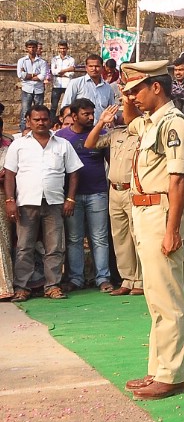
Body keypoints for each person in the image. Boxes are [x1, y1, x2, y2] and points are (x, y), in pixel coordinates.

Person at [119, 60, 184, 400]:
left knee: (168, 297)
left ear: (156, 87)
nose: (132, 97)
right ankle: (158, 369)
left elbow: (178, 180)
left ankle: (172, 374)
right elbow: (128, 122)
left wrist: (172, 229)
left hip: (162, 210)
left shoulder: (175, 124)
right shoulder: (151, 122)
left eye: (136, 90)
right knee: (154, 295)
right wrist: (125, 92)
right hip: (144, 211)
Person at [4, 105, 82, 299]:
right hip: (26, 202)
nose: (41, 123)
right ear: (28, 121)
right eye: (36, 119)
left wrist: (70, 198)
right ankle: (22, 287)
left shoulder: (62, 144)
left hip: (54, 202)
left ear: (50, 120)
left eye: (44, 119)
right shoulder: (19, 144)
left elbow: (73, 173)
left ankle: (52, 285)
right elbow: (10, 175)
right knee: (24, 246)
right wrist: (9, 200)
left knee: (55, 246)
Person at [86, 96, 144, 297]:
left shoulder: (143, 132)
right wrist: (101, 122)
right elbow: (90, 144)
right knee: (120, 238)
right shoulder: (115, 133)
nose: (122, 113)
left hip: (133, 190)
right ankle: (127, 279)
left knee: (138, 236)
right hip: (115, 190)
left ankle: (142, 279)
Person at [57, 99, 113, 293]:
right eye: (85, 114)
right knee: (74, 238)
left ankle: (103, 278)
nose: (91, 118)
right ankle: (76, 279)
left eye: (92, 114)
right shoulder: (61, 137)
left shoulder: (101, 134)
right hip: (72, 196)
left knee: (99, 238)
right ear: (73, 117)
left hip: (97, 193)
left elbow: (111, 162)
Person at [61, 53, 119, 117]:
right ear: (86, 68)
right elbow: (66, 107)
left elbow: (112, 109)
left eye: (97, 66)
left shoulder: (108, 87)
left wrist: (112, 119)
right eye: (91, 66)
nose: (94, 69)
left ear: (102, 68)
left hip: (103, 125)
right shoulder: (75, 83)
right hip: (81, 125)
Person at [16, 39, 49, 132]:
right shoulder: (21, 61)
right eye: (29, 47)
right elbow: (20, 75)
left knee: (39, 111)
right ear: (26, 49)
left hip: (39, 89)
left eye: (33, 47)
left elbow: (42, 76)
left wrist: (28, 75)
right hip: (27, 89)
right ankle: (23, 130)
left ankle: (39, 129)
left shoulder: (42, 62)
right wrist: (35, 75)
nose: (32, 49)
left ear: (36, 48)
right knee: (25, 110)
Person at [0, 112, 14, 300]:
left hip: (4, 195)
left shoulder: (10, 142)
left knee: (4, 241)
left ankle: (5, 286)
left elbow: (11, 170)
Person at [49, 40, 76, 117]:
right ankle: (52, 122)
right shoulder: (54, 59)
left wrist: (62, 72)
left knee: (68, 105)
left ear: (67, 48)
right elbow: (54, 72)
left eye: (64, 48)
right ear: (58, 49)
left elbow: (71, 73)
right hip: (57, 85)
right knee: (54, 106)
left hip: (67, 85)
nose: (62, 50)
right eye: (61, 48)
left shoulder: (71, 59)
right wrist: (67, 70)